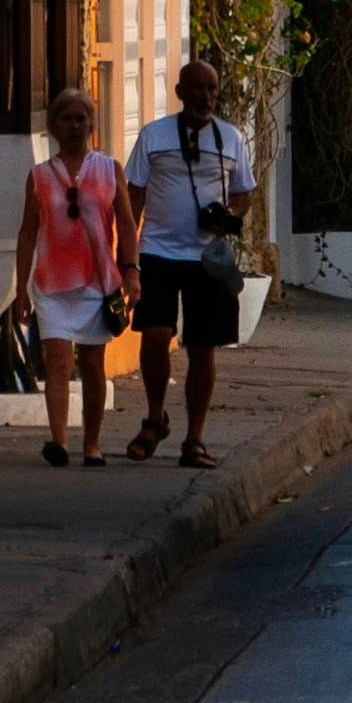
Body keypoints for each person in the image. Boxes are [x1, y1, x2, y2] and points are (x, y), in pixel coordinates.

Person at [125, 55, 255, 471]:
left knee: (203, 348)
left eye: (212, 89)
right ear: (180, 92)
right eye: (197, 88)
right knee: (155, 333)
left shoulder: (231, 139)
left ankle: (194, 439)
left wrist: (229, 215)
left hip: (208, 259)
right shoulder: (153, 136)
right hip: (158, 251)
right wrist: (126, 257)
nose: (206, 96)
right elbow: (134, 195)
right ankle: (154, 417)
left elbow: (243, 192)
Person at [12, 85, 137, 468]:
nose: (74, 125)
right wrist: (21, 289)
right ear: (53, 126)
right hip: (51, 284)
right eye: (66, 118)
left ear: (91, 125)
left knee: (93, 364)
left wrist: (131, 272)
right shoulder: (39, 176)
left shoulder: (109, 169)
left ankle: (93, 444)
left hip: (98, 283)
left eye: (81, 118)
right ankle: (60, 441)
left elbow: (128, 226)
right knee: (57, 360)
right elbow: (28, 232)